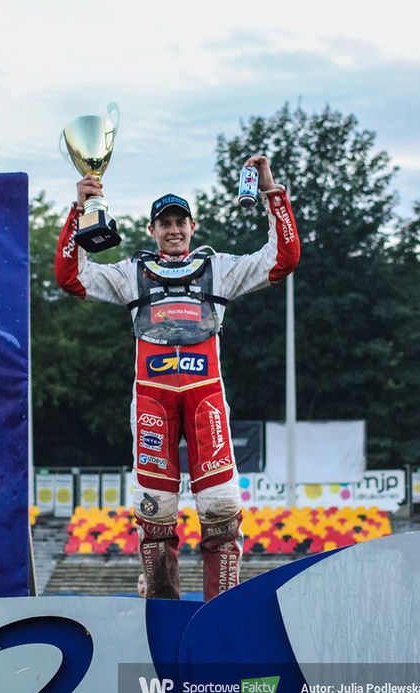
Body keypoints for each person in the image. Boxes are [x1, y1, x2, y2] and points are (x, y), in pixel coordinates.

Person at [55, 155, 300, 601]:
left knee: (222, 509)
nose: (173, 230)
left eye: (180, 222)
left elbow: (283, 259)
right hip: (153, 402)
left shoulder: (218, 268)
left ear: (192, 226)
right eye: (165, 223)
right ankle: (161, 611)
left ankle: (220, 613)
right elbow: (71, 278)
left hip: (206, 399)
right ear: (151, 229)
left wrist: (271, 191)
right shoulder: (132, 273)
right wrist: (80, 211)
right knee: (155, 513)